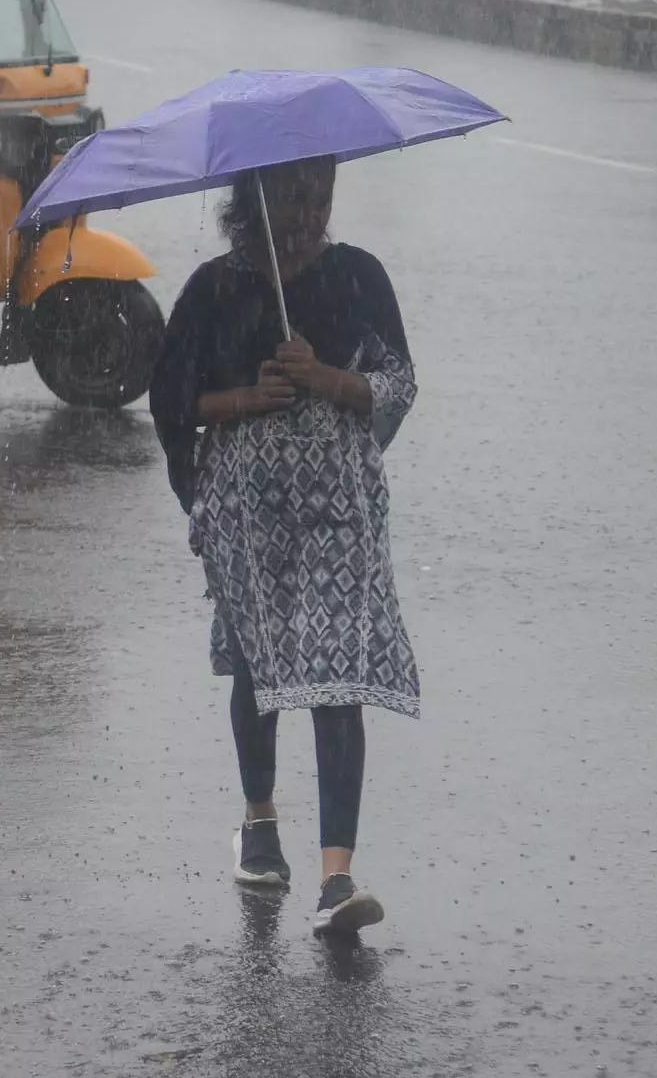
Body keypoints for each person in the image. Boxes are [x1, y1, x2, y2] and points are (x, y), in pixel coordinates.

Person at [148, 156, 420, 937]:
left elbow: (398, 382)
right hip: (244, 510)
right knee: (259, 663)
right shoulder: (213, 289)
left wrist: (325, 376)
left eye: (322, 194)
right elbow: (171, 400)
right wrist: (245, 397)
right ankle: (260, 821)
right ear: (257, 196)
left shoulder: (357, 277)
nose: (311, 211)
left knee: (338, 672)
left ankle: (336, 876)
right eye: (295, 194)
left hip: (338, 506)